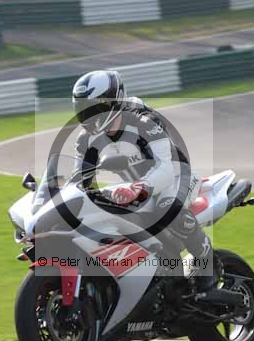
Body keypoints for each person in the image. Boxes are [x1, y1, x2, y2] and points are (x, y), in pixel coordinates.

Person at [71, 69, 220, 294]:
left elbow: (165, 168)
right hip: (134, 187)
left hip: (175, 177)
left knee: (168, 210)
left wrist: (140, 188)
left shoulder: (144, 121)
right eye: (81, 109)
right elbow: (78, 180)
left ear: (111, 102)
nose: (87, 116)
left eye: (92, 109)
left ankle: (208, 263)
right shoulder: (85, 139)